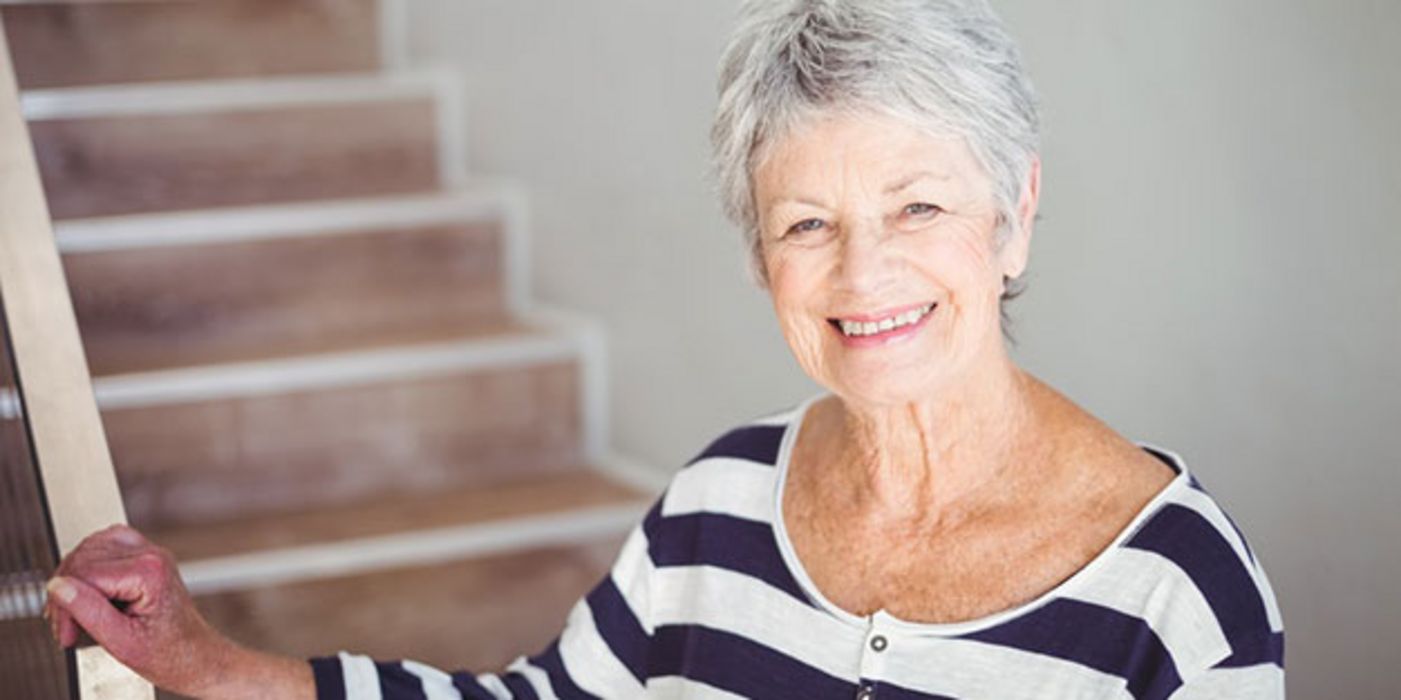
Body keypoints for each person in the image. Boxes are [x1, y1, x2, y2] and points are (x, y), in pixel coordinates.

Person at [45, 0, 1284, 698]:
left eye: (919, 206)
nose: (865, 274)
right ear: (762, 260)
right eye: (810, 223)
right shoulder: (721, 499)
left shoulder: (1176, 596)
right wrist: (201, 662)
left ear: (1013, 217)